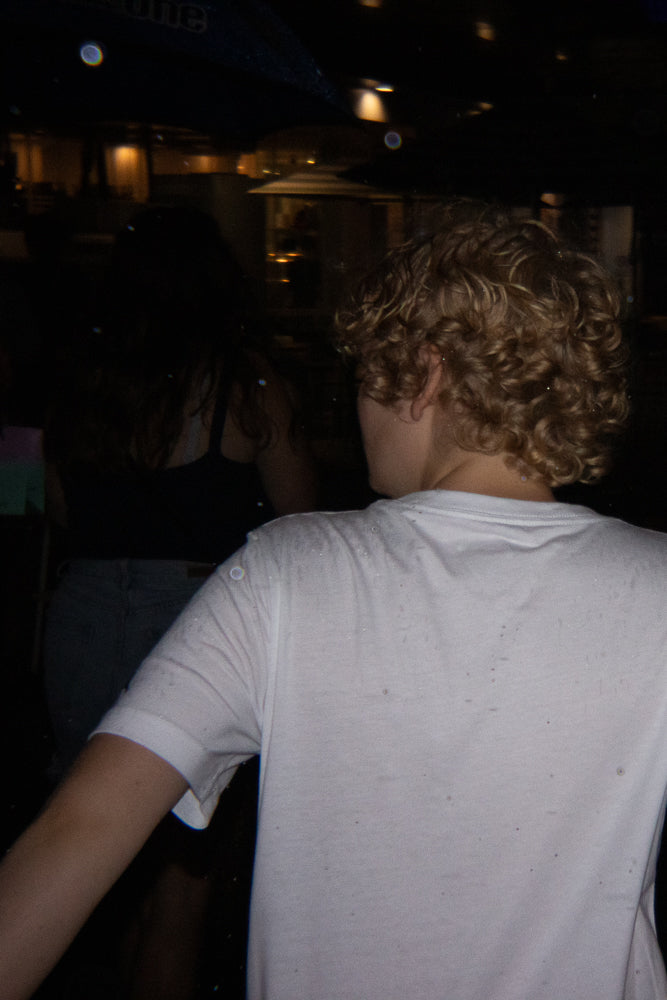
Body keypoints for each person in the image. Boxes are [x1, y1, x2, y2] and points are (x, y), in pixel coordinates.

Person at [2, 202, 667, 1000]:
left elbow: (82, 826)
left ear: (422, 377)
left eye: (364, 377)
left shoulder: (286, 574)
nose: (353, 412)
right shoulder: (654, 583)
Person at [39, 206, 317, 997]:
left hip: (84, 608)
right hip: (194, 618)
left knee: (90, 835)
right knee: (182, 880)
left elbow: (61, 509)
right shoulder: (247, 383)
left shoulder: (85, 381)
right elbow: (299, 527)